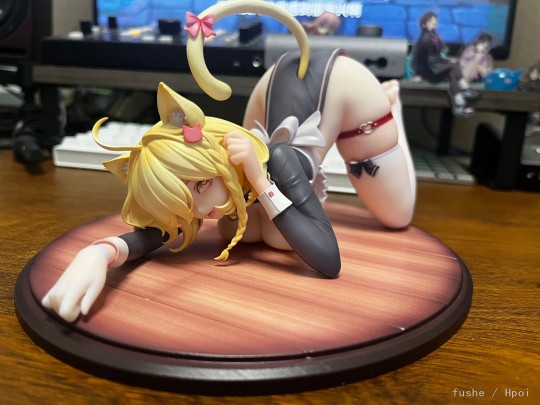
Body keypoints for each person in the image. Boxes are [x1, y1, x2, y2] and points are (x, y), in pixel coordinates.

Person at [43, 0, 416, 322]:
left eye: (202, 185)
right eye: (190, 196)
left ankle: (393, 106)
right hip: (271, 88)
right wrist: (101, 252)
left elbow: (329, 261)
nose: (199, 211)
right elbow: (162, 231)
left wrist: (260, 179)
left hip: (347, 89)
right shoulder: (210, 188)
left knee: (397, 216)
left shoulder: (278, 162)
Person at [411, 11, 479, 117]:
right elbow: (420, 59)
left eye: (435, 21)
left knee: (452, 72)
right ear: (424, 24)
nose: (434, 23)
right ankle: (465, 88)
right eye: (431, 21)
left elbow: (437, 57)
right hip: (429, 72)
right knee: (453, 66)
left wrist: (447, 60)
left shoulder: (434, 36)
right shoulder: (425, 39)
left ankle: (460, 105)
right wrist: (419, 74)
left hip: (436, 68)